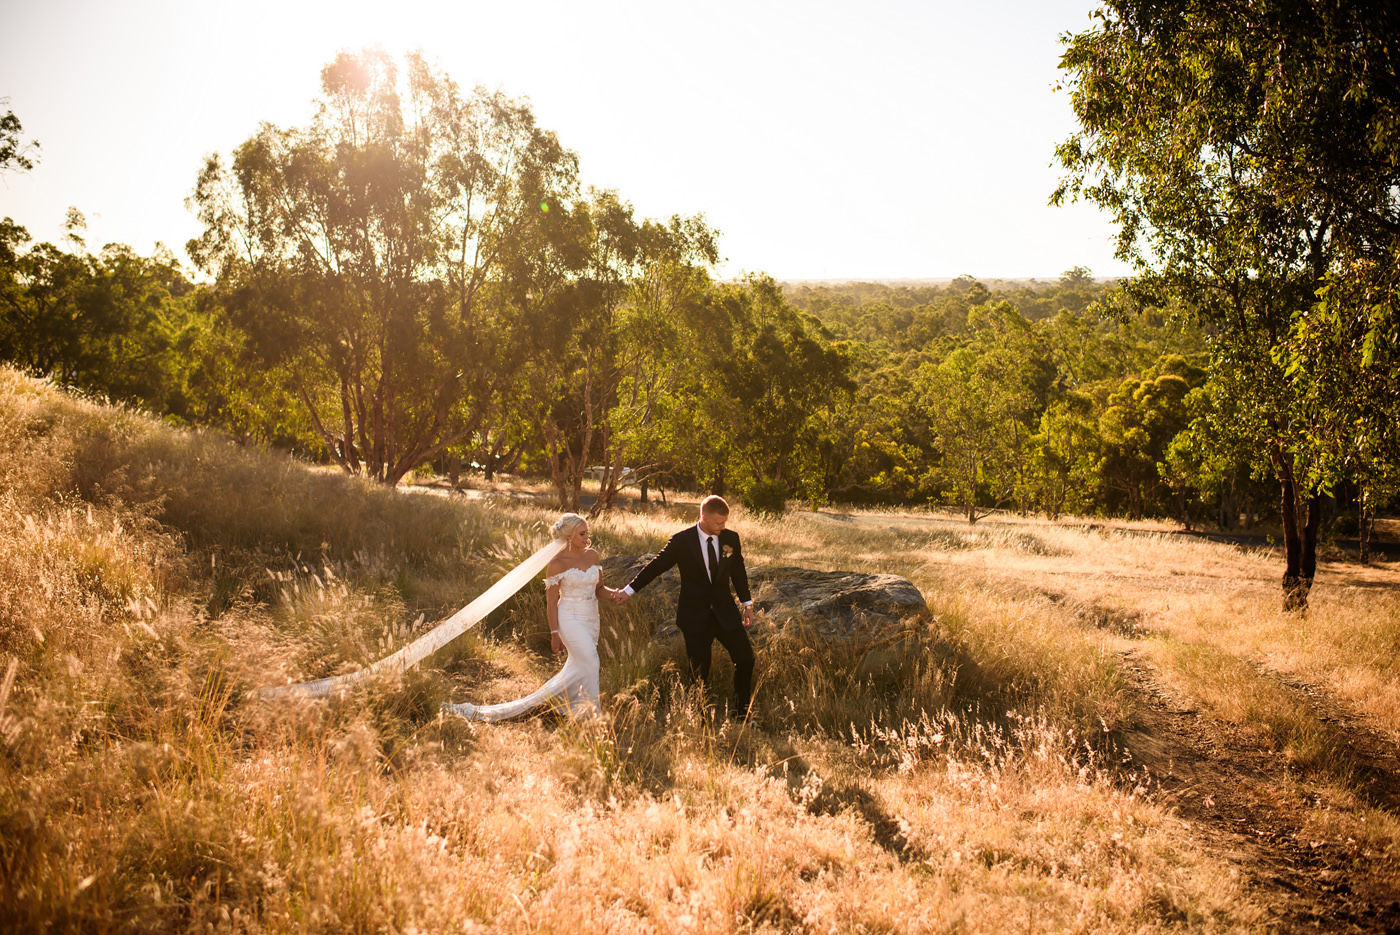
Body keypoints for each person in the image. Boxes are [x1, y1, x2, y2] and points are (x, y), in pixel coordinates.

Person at [443, 513, 619, 721]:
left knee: (580, 666)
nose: (586, 538)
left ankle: (564, 705)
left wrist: (615, 593)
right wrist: (555, 633)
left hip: (591, 618)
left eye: (587, 533)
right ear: (569, 537)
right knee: (591, 660)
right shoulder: (557, 563)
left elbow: (599, 589)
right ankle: (590, 717)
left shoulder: (593, 556)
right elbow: (551, 602)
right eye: (581, 534)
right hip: (569, 618)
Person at [613, 495, 756, 718]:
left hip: (726, 612)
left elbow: (738, 572)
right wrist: (628, 591)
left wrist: (747, 603)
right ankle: (698, 717)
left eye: (725, 522)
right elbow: (656, 566)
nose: (723, 527)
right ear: (704, 518)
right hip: (695, 616)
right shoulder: (682, 541)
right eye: (719, 522)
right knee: (699, 671)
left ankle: (742, 714)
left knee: (746, 658)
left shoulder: (731, 538)